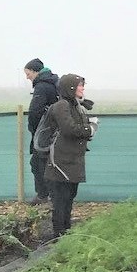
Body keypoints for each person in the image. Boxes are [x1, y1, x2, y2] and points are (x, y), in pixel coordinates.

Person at [44, 73, 94, 238]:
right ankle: (59, 236)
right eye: (80, 85)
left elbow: (78, 127)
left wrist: (88, 128)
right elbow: (69, 128)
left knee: (69, 198)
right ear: (71, 87)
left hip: (72, 161)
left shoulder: (75, 106)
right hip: (60, 163)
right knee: (60, 200)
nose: (83, 88)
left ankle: (66, 233)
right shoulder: (61, 106)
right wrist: (89, 129)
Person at [24, 58, 58, 204]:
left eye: (28, 73)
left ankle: (44, 196)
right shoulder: (54, 83)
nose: (27, 77)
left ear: (35, 71)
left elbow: (35, 111)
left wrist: (33, 128)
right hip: (54, 129)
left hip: (43, 131)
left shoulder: (41, 87)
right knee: (47, 163)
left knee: (38, 164)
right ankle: (50, 195)